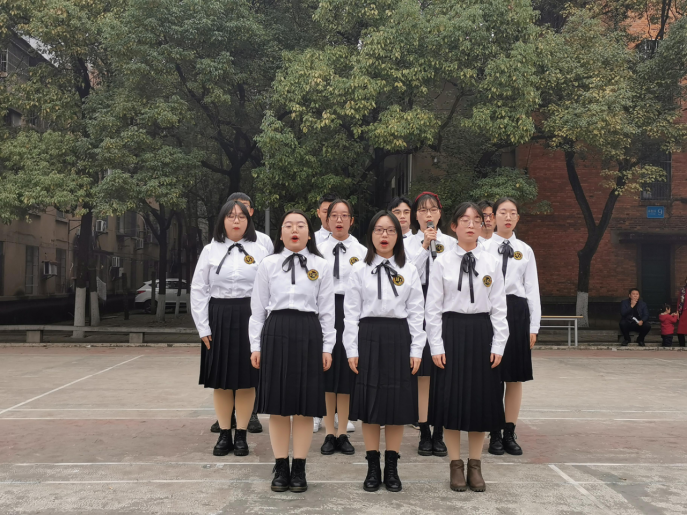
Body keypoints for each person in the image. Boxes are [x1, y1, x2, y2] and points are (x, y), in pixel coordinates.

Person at [249, 210, 335, 493]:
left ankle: (299, 466)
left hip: (309, 332)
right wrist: (255, 345)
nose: (294, 229)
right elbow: (257, 310)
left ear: (309, 234)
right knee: (278, 406)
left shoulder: (321, 265)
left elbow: (328, 312)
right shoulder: (268, 264)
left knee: (304, 406)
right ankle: (280, 465)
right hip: (276, 332)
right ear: (281, 233)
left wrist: (327, 347)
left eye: (301, 225)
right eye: (288, 225)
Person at [425, 202, 508, 493]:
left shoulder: (491, 262)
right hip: (451, 332)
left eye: (476, 220)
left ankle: (475, 465)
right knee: (451, 402)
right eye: (464, 220)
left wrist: (499, 343)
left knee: (478, 403)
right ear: (454, 226)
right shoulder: (442, 262)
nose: (471, 225)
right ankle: (455, 465)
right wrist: (436, 344)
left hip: (481, 332)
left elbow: (499, 307)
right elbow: (432, 308)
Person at [344, 211, 425, 493]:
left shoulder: (409, 269)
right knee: (371, 406)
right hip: (368, 336)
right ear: (371, 234)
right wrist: (351, 349)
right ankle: (372, 466)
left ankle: (392, 466)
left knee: (396, 405)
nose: (384, 236)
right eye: (379, 230)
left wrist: (417, 349)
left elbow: (416, 312)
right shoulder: (359, 269)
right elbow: (351, 313)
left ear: (398, 236)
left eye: (390, 230)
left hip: (398, 337)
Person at [191, 201, 269, 457]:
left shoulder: (260, 250)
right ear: (222, 220)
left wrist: (264, 324)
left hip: (250, 316)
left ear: (249, 221)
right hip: (219, 317)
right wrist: (203, 326)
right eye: (231, 216)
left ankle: (242, 435)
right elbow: (199, 288)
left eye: (241, 216)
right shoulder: (210, 250)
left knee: (247, 380)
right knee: (222, 381)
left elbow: (267, 290)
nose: (236, 221)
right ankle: (225, 433)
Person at [483, 197, 540, 456]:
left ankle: (509, 432)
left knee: (514, 377)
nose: (508, 217)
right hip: (490, 311)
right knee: (492, 375)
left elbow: (532, 289)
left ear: (518, 218)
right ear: (492, 217)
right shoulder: (483, 248)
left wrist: (533, 325)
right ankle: (494, 432)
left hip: (517, 312)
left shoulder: (525, 250)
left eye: (513, 213)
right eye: (502, 212)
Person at [406, 192, 456, 457]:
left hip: (445, 305)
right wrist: (425, 246)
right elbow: (407, 274)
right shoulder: (408, 242)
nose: (428, 214)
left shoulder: (451, 242)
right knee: (423, 372)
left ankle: (440, 431)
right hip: (417, 302)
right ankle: (424, 430)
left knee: (444, 371)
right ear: (416, 215)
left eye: (433, 209)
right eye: (423, 210)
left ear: (440, 213)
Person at [318, 200, 367, 456]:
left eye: (344, 215)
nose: (339, 220)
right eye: (334, 215)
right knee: (327, 372)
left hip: (351, 311)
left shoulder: (362, 250)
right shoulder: (317, 250)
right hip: (325, 310)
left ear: (351, 220)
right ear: (326, 220)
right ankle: (329, 432)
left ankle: (343, 433)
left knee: (347, 372)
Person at [678, 277, 687, 347]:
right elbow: (679, 302)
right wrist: (678, 312)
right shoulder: (683, 291)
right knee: (680, 330)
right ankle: (682, 346)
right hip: (684, 312)